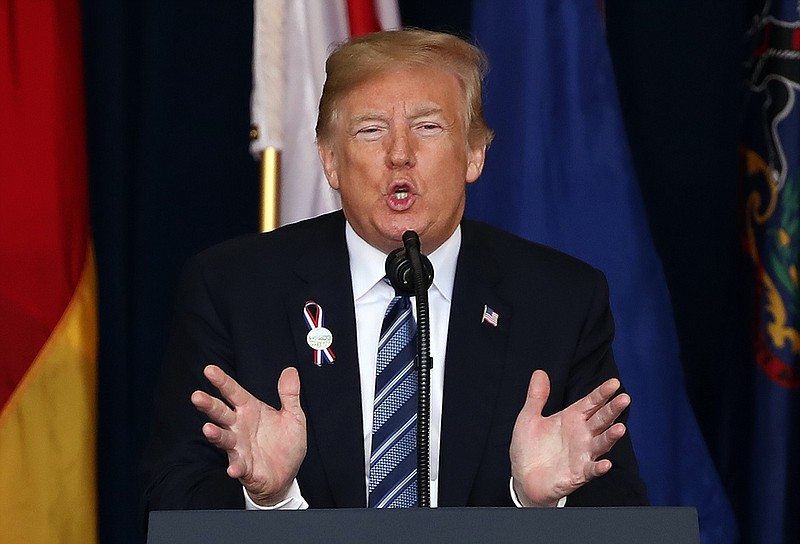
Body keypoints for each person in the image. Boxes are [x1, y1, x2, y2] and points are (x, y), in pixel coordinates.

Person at [142, 29, 648, 512]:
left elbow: (623, 513)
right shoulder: (233, 290)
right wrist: (270, 500)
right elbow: (170, 501)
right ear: (330, 162)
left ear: (474, 153)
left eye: (428, 127)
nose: (399, 155)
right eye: (371, 130)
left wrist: (538, 502)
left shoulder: (559, 300)